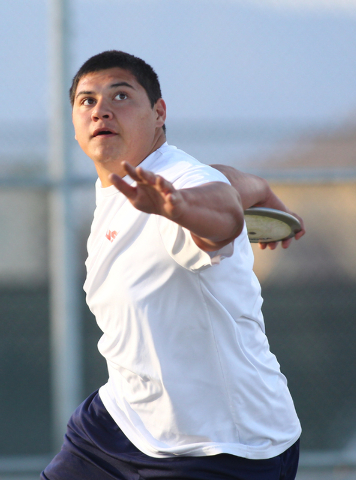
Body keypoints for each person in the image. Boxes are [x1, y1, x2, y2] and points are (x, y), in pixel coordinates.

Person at [41, 50, 305, 480]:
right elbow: (226, 182)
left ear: (159, 113)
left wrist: (178, 208)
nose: (100, 109)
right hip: (122, 422)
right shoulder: (129, 185)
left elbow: (220, 211)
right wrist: (256, 185)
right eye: (86, 100)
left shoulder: (178, 186)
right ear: (72, 123)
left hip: (223, 447)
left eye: (120, 95)